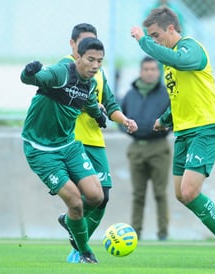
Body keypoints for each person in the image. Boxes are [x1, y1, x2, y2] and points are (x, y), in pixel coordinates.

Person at [130, 6, 215, 268]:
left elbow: (185, 62)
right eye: (151, 36)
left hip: (206, 128)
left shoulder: (191, 48)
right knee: (181, 194)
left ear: (171, 29)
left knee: (190, 190)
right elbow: (180, 96)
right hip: (184, 131)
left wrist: (143, 41)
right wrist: (165, 118)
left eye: (157, 35)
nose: (154, 40)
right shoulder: (171, 60)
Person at [20, 37, 108, 264]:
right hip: (40, 150)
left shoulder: (90, 84)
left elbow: (88, 102)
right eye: (91, 59)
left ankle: (70, 221)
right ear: (77, 57)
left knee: (97, 196)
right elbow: (32, 79)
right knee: (76, 203)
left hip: (68, 146)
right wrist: (29, 72)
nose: (95, 65)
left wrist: (99, 115)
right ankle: (85, 251)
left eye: (100, 61)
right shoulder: (61, 73)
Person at [57, 23, 138, 263]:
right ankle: (82, 250)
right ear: (74, 46)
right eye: (84, 44)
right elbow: (62, 97)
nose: (92, 56)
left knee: (103, 197)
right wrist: (88, 104)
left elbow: (109, 104)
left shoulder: (98, 70)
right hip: (71, 140)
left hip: (95, 141)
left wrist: (124, 120)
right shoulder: (64, 68)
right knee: (84, 197)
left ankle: (73, 235)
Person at [120, 56, 171, 241]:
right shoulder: (130, 94)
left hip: (159, 147)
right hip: (136, 148)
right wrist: (135, 129)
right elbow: (121, 118)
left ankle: (163, 233)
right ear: (141, 71)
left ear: (158, 72)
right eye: (146, 69)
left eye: (153, 69)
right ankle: (135, 233)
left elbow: (172, 119)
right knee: (138, 194)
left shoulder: (166, 94)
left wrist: (151, 128)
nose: (150, 73)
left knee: (160, 193)